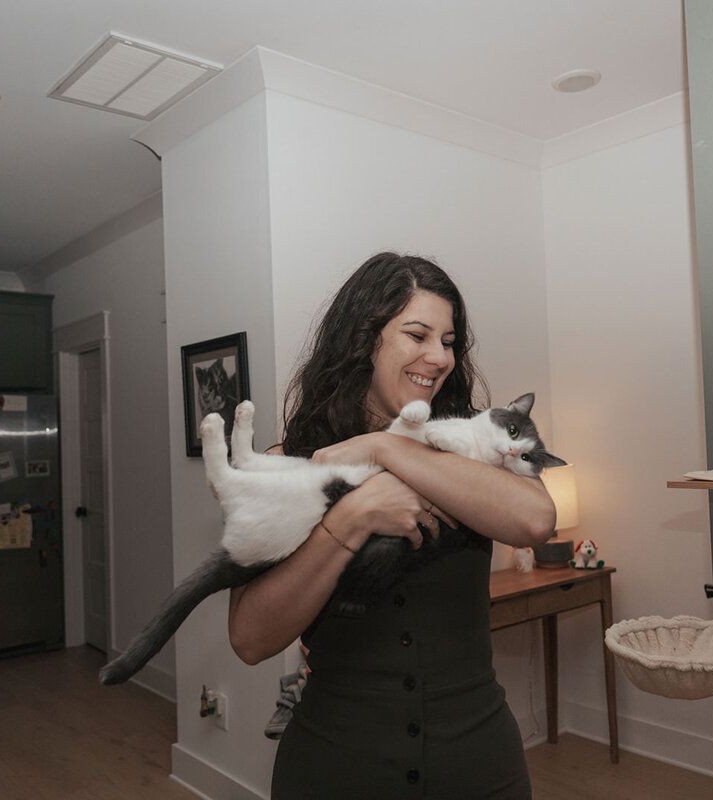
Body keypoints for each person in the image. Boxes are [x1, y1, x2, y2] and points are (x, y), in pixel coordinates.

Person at [228, 252, 558, 799]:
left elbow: (536, 518)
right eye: (418, 334)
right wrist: (351, 520)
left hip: (478, 766)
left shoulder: (474, 448)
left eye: (449, 341)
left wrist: (385, 445)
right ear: (363, 341)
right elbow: (249, 638)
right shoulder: (293, 463)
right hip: (337, 768)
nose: (439, 356)